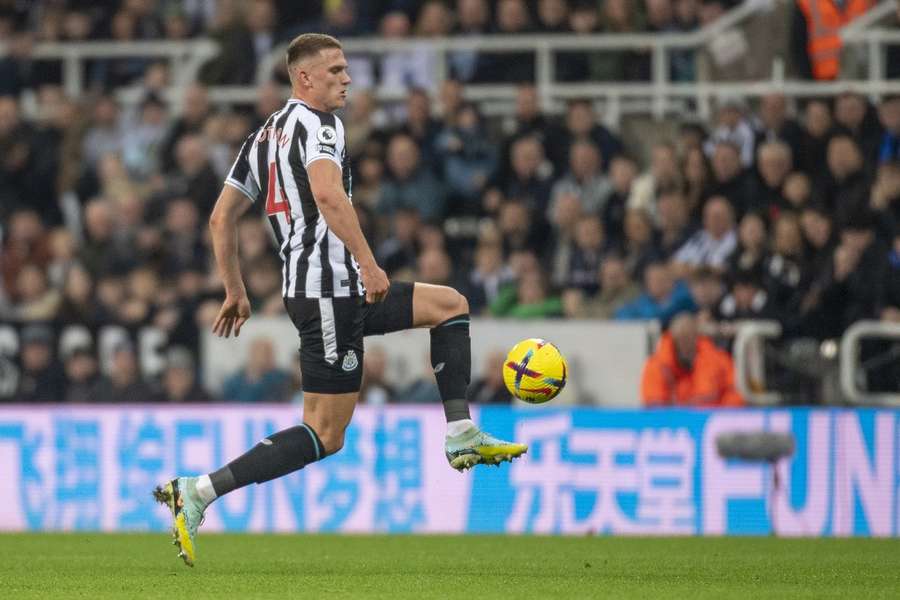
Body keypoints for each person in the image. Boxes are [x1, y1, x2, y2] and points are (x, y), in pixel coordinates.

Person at [154, 33, 526, 567]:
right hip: (331, 291)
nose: (347, 79)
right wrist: (370, 263)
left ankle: (461, 431)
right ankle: (199, 491)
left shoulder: (264, 135)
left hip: (326, 289)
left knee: (450, 305)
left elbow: (221, 217)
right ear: (305, 78)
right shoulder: (319, 124)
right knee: (326, 434)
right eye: (336, 70)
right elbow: (328, 193)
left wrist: (235, 288)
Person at [641, 312, 744, 407]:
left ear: (697, 337)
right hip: (674, 423)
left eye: (689, 337)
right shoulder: (657, 365)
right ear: (672, 338)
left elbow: (734, 393)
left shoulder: (719, 361)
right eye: (680, 339)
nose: (685, 344)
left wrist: (721, 416)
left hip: (713, 420)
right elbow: (653, 403)